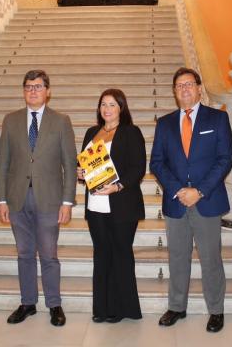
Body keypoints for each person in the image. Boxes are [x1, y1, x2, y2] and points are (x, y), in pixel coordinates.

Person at [150, 67, 232, 333]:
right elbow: (157, 163)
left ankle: (216, 310)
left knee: (210, 258)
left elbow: (224, 159)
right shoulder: (164, 124)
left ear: (199, 88)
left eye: (189, 84)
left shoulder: (217, 119)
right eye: (179, 86)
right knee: (177, 256)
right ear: (174, 92)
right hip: (176, 202)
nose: (184, 89)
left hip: (206, 200)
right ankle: (176, 306)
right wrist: (177, 189)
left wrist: (198, 190)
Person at [0, 70, 76, 327]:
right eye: (28, 86)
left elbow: (70, 165)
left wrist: (67, 202)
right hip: (17, 199)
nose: (33, 91)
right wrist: (1, 200)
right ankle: (28, 302)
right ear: (23, 91)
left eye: (38, 86)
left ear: (48, 91)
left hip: (50, 200)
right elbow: (2, 163)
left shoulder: (61, 121)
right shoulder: (10, 120)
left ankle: (54, 304)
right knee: (24, 254)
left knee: (49, 255)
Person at [78, 89, 146, 323]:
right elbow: (85, 167)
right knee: (102, 255)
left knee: (120, 254)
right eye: (103, 105)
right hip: (96, 205)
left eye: (112, 105)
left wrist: (117, 187)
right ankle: (102, 308)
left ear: (121, 108)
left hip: (122, 204)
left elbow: (137, 168)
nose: (107, 109)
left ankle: (122, 308)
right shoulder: (91, 132)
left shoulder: (131, 132)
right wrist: (81, 173)